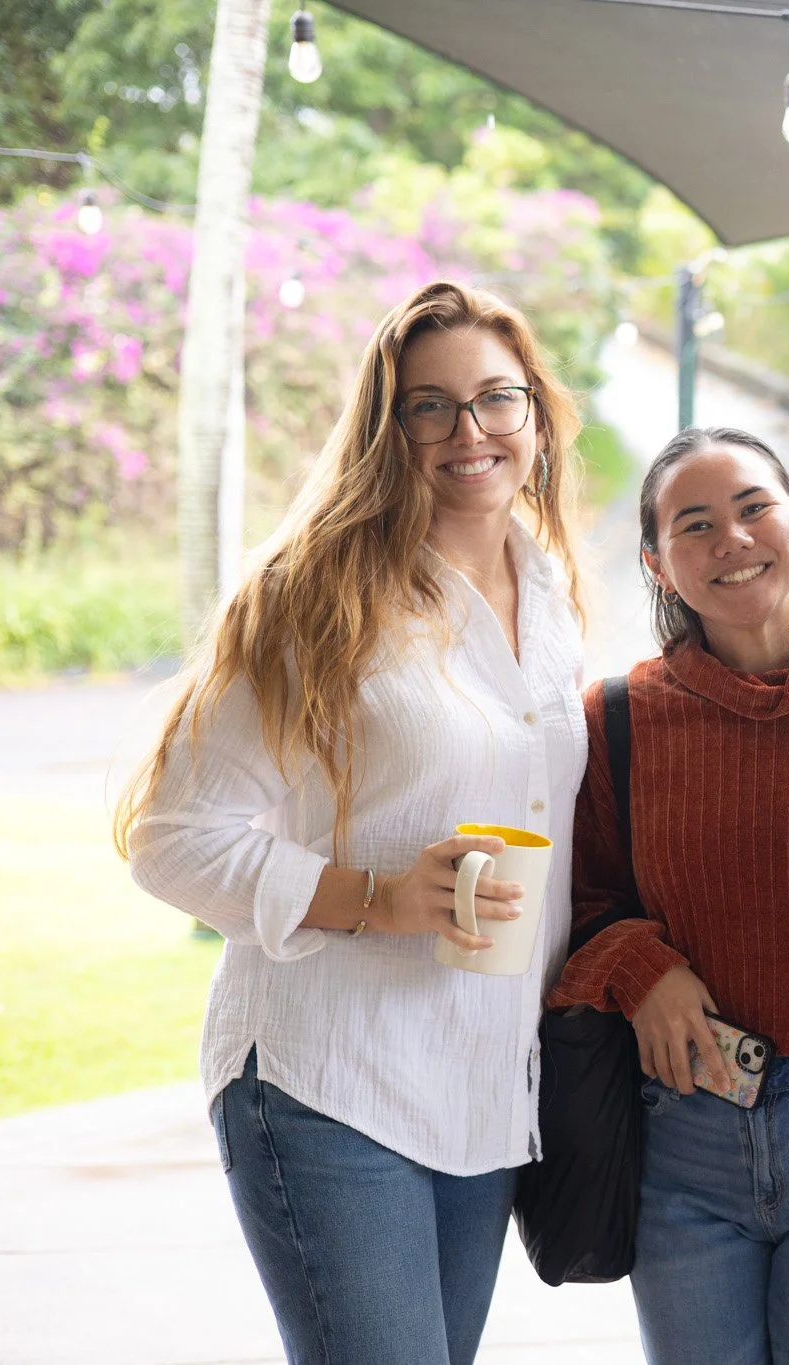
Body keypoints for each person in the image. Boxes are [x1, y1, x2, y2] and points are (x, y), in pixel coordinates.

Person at [117, 281, 592, 1365]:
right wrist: (376, 900)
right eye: (430, 407)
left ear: (536, 414)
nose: (469, 433)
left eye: (496, 399)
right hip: (326, 1079)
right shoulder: (308, 594)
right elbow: (172, 836)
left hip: (479, 1090)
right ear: (387, 429)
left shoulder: (551, 594)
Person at [549, 426, 789, 1365]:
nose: (732, 538)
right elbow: (577, 904)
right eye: (695, 524)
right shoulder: (616, 719)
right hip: (681, 1134)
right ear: (657, 562)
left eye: (754, 506)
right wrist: (641, 968)